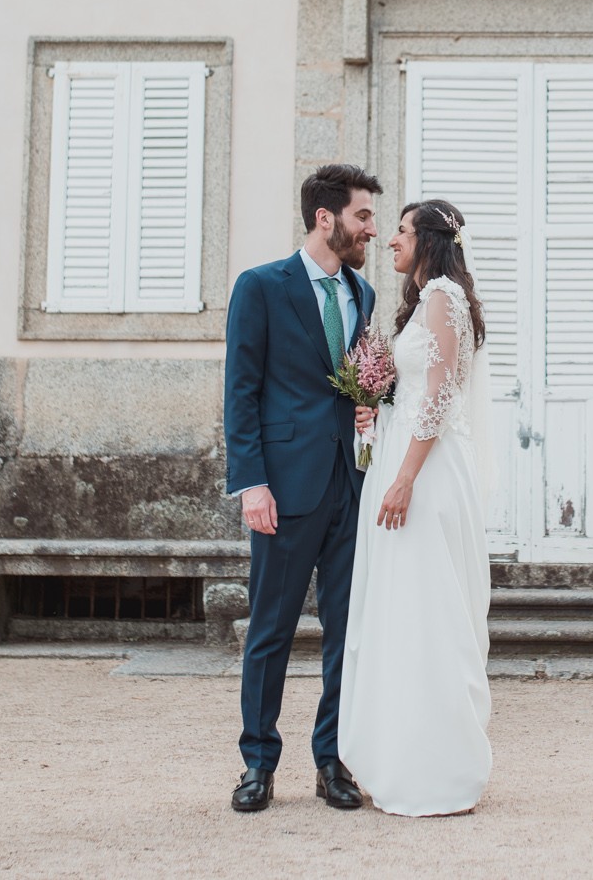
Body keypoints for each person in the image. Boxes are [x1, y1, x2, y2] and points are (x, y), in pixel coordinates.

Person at [224, 163, 382, 813]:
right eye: (363, 216)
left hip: (351, 484)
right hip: (284, 490)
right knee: (272, 629)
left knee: (349, 630)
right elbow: (241, 391)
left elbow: (359, 381)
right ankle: (258, 763)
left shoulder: (363, 294)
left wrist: (372, 407)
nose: (371, 227)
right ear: (326, 218)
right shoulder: (261, 287)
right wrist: (251, 482)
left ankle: (331, 759)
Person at [338, 199, 495, 817]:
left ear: (427, 239)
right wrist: (374, 416)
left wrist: (403, 479)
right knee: (401, 609)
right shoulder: (427, 300)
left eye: (399, 232)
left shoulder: (442, 298)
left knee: (426, 610)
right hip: (403, 461)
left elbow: (438, 400)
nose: (390, 241)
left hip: (423, 477)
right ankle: (402, 753)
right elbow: (414, 397)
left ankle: (439, 768)